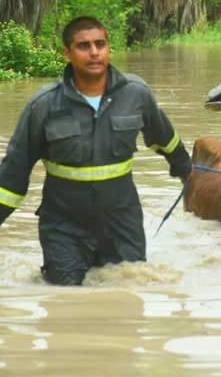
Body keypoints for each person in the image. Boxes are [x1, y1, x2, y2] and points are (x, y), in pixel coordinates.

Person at [0, 16, 192, 286]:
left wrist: (187, 172)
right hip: (64, 227)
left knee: (128, 295)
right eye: (84, 46)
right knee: (64, 300)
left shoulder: (135, 94)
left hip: (122, 225)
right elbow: (12, 176)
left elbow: (165, 139)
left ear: (108, 48)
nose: (94, 52)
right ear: (67, 53)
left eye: (100, 44)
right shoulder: (43, 106)